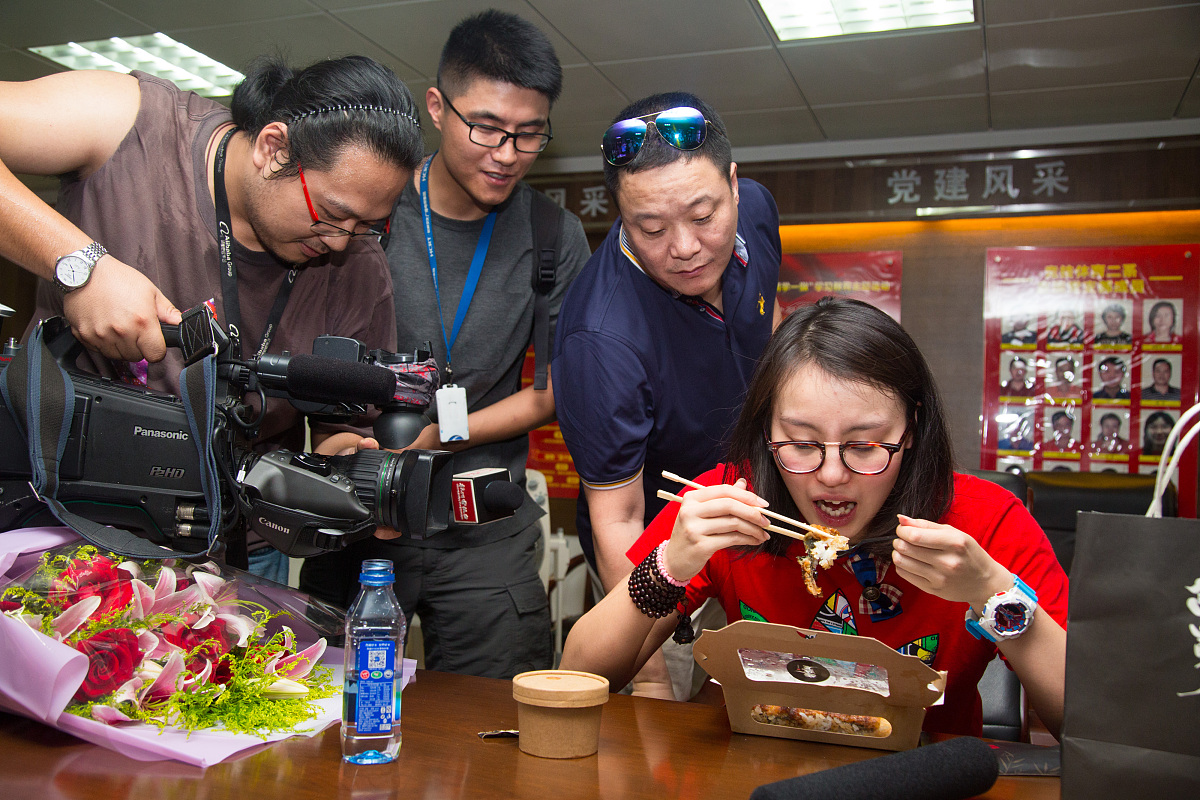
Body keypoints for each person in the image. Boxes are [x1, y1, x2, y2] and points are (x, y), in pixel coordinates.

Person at [560, 297, 1068, 739]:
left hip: (925, 774)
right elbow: (577, 673)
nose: (830, 475)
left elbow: (1082, 720)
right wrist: (671, 562)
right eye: (802, 443)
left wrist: (994, 592)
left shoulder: (984, 519)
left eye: (865, 446)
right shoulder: (729, 498)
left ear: (911, 429)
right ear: (766, 429)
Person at [0, 55, 424, 579]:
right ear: (273, 148)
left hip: (236, 546)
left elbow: (338, 430)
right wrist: (81, 266)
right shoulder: (130, 123)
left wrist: (348, 470)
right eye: (331, 215)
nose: (339, 240)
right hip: (61, 520)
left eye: (366, 225)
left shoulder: (358, 267)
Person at [298, 10, 588, 679]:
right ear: (437, 106)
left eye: (529, 134)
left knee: (495, 725)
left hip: (482, 522)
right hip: (360, 510)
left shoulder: (552, 235)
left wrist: (439, 436)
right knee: (330, 709)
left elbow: (552, 393)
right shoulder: (368, 209)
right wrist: (337, 438)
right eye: (486, 127)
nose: (506, 153)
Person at [553, 91, 782, 697]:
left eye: (704, 217)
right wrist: (647, 674)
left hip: (762, 518)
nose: (683, 247)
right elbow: (618, 521)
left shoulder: (756, 210)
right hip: (667, 558)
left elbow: (770, 317)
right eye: (649, 228)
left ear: (734, 185)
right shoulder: (599, 338)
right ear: (621, 217)